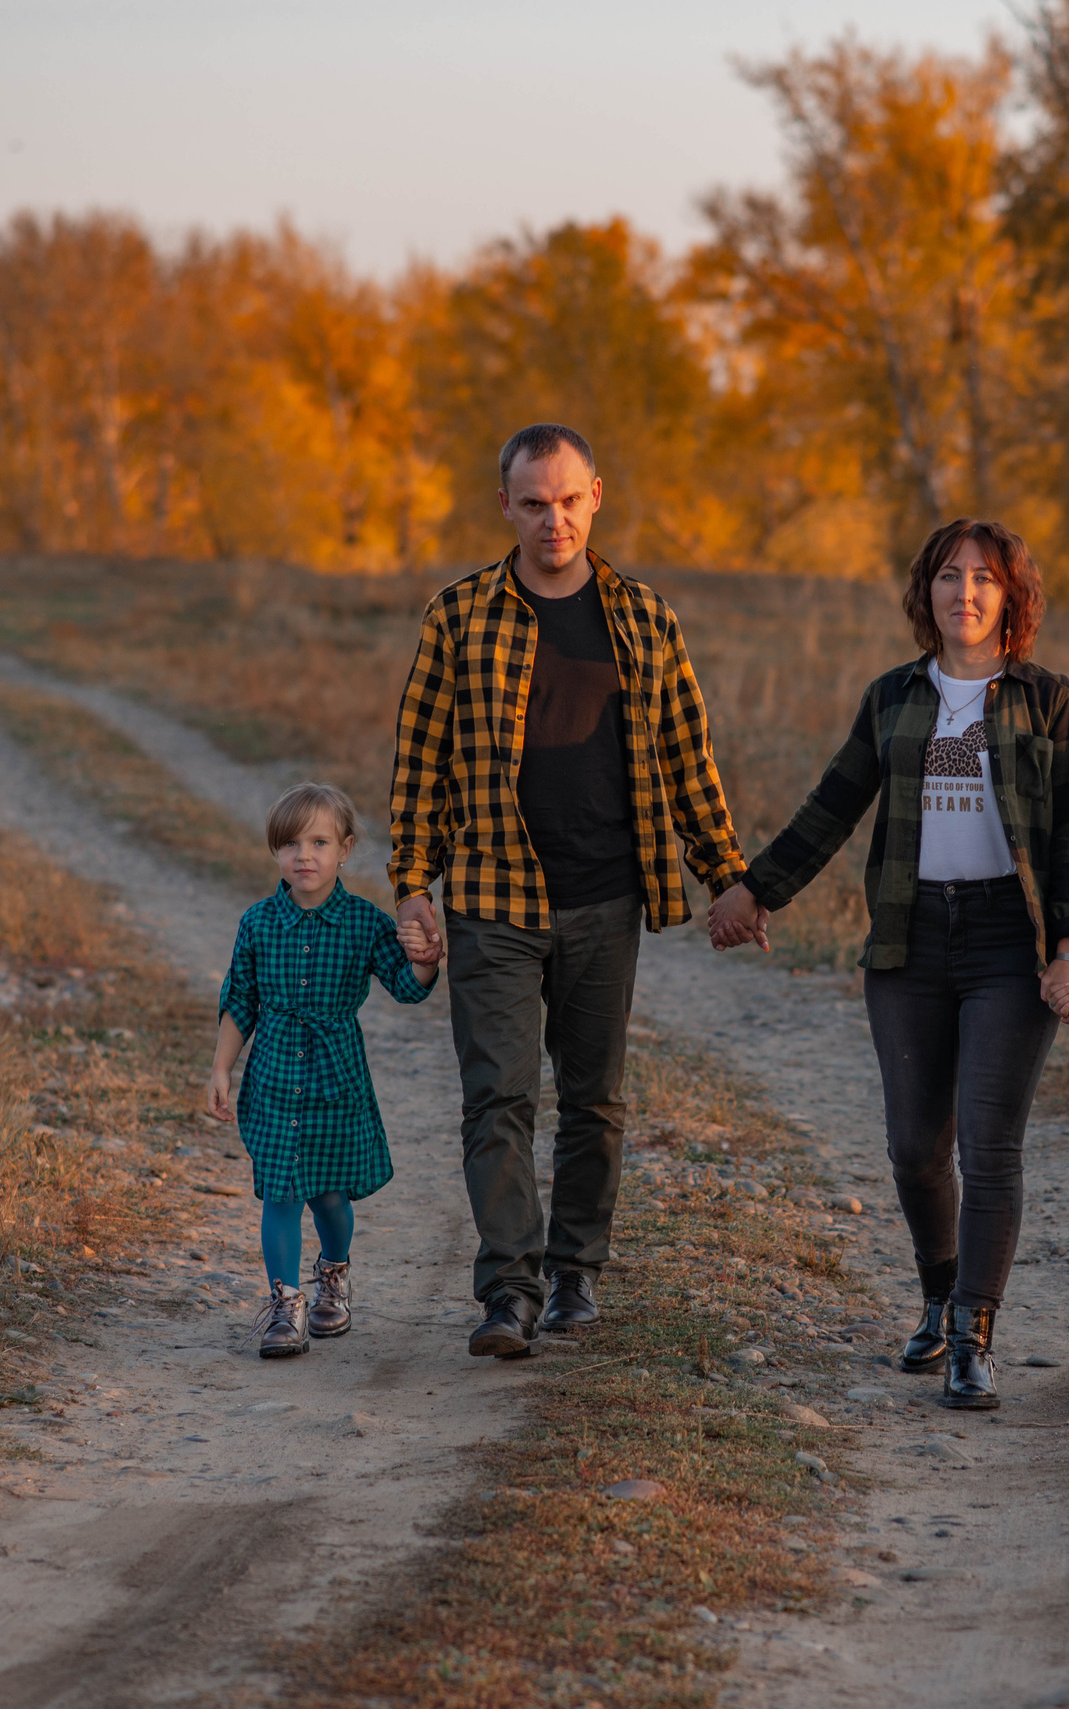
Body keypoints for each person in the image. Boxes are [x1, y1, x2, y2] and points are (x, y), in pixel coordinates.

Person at [707, 518, 1069, 1411]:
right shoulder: (894, 698)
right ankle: (938, 1292)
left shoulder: (1049, 701)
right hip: (910, 937)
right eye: (950, 576)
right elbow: (833, 804)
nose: (966, 592)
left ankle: (973, 1336)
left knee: (989, 1143)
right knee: (917, 1148)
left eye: (985, 579)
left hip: (1009, 937)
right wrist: (754, 890)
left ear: (1011, 597)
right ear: (926, 592)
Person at [387, 424, 752, 1361]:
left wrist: (728, 874)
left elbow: (687, 756)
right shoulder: (459, 615)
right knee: (497, 1096)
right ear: (504, 507)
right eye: (534, 503)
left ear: (597, 496)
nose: (554, 520)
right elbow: (420, 760)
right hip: (492, 899)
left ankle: (575, 1275)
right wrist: (410, 885)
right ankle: (509, 1287)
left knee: (595, 1098)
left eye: (568, 499)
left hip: (605, 899)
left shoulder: (644, 618)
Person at [208, 783, 439, 1358]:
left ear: (345, 849)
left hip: (337, 1080)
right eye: (290, 844)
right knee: (280, 1191)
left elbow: (408, 990)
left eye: (318, 842)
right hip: (273, 1078)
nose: (303, 856)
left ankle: (332, 1274)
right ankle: (286, 1304)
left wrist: (428, 961)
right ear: (275, 854)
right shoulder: (258, 923)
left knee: (331, 1197)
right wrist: (221, 1070)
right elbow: (240, 1002)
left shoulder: (364, 923)